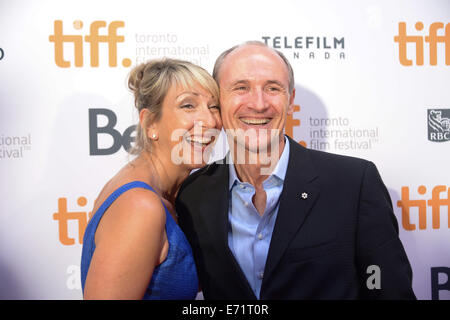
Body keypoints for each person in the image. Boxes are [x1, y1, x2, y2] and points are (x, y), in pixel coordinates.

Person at [175, 41, 416, 299]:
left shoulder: (353, 184)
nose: (258, 104)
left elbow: (386, 288)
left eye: (273, 88)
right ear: (218, 102)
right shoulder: (194, 194)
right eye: (241, 88)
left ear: (290, 102)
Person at [80, 58, 222, 299]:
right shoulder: (139, 206)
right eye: (188, 106)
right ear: (150, 123)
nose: (210, 121)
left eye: (213, 106)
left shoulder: (172, 194)